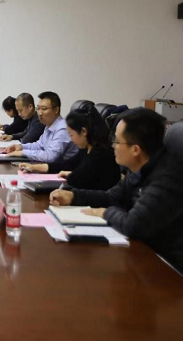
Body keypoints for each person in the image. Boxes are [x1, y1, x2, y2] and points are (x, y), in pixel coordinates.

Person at [50, 108, 183, 273]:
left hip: (169, 269)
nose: (112, 145)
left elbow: (132, 225)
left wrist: (104, 213)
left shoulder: (166, 178)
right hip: (143, 254)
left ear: (135, 150)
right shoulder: (139, 168)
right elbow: (111, 197)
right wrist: (73, 196)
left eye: (117, 141)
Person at [19, 105, 120, 190]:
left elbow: (80, 177)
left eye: (71, 135)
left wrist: (71, 175)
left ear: (84, 131)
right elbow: (68, 164)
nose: (71, 139)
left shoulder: (101, 153)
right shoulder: (86, 148)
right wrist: (35, 167)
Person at [4, 91, 79, 163]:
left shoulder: (63, 129)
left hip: (62, 170)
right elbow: (39, 145)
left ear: (56, 110)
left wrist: (23, 152)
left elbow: (50, 156)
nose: (39, 113)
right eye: (38, 108)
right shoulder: (49, 126)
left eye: (44, 109)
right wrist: (21, 147)